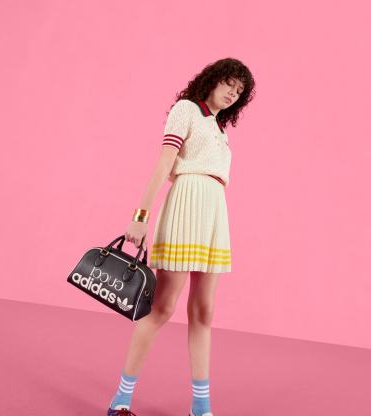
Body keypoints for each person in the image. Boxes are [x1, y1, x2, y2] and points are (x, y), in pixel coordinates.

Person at [106, 57, 256, 416]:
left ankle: (201, 406)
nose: (232, 94)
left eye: (239, 92)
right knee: (162, 308)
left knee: (204, 312)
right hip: (186, 207)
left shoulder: (220, 131)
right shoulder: (186, 109)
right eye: (229, 84)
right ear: (212, 79)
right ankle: (121, 399)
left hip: (214, 214)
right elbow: (163, 163)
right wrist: (140, 217)